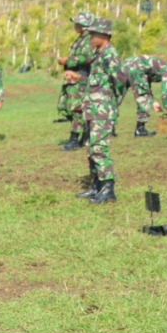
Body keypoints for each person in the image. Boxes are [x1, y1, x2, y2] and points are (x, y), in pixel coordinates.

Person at [77, 17, 128, 204]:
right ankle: (96, 186)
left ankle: (108, 188)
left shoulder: (110, 54)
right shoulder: (100, 53)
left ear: (104, 35)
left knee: (99, 148)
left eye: (93, 34)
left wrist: (111, 102)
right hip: (94, 109)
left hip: (102, 110)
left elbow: (121, 80)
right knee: (91, 148)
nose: (90, 37)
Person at [58, 11, 96, 150]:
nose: (75, 25)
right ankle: (85, 133)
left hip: (81, 77)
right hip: (72, 78)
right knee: (66, 107)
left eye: (77, 23)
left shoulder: (89, 40)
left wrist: (68, 60)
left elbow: (87, 58)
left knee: (76, 109)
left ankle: (74, 139)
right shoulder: (81, 39)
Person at [122, 54, 167, 136]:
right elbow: (165, 93)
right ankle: (140, 129)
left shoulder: (158, 66)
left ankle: (109, 129)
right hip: (137, 68)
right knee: (143, 98)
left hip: (124, 65)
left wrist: (153, 101)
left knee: (115, 97)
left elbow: (146, 85)